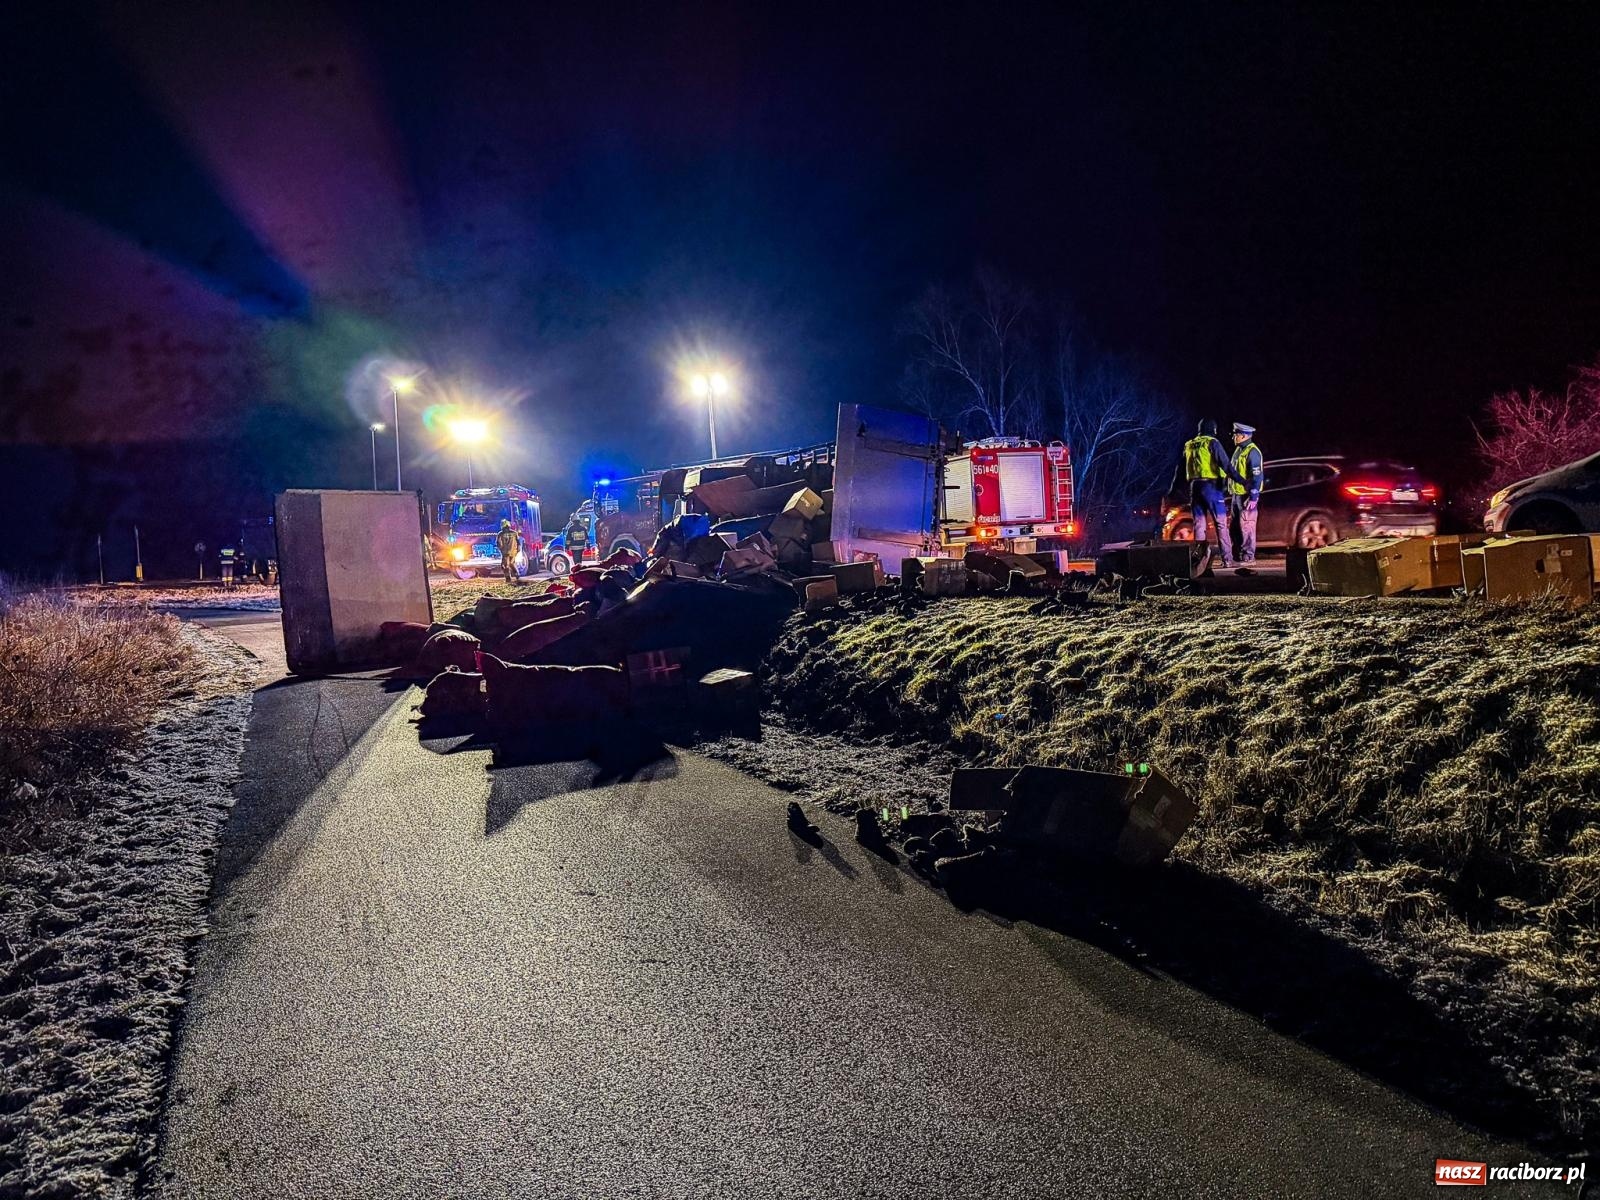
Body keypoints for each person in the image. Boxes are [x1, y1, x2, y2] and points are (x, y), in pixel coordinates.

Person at [1169, 418, 1246, 568]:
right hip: (1211, 487)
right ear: (1214, 430)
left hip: (1194, 487)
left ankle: (1200, 563)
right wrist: (1243, 481)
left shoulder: (1189, 445)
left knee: (1199, 525)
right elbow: (1226, 466)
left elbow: (1179, 470)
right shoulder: (1212, 443)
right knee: (1221, 524)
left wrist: (1172, 490)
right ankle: (1227, 560)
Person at [1228, 422, 1264, 564]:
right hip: (1237, 495)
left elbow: (1256, 476)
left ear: (1243, 436)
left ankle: (1248, 556)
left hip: (1246, 496)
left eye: (1236, 435)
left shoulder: (1252, 451)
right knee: (1235, 527)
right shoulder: (1239, 450)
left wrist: (1253, 496)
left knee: (1247, 527)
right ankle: (1237, 555)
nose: (1233, 437)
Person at [495, 519, 523, 583]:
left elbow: (498, 543)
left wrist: (501, 549)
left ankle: (508, 579)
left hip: (505, 552)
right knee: (512, 563)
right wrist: (517, 550)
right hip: (513, 552)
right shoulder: (514, 533)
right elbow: (518, 542)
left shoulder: (500, 534)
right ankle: (517, 574)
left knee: (505, 565)